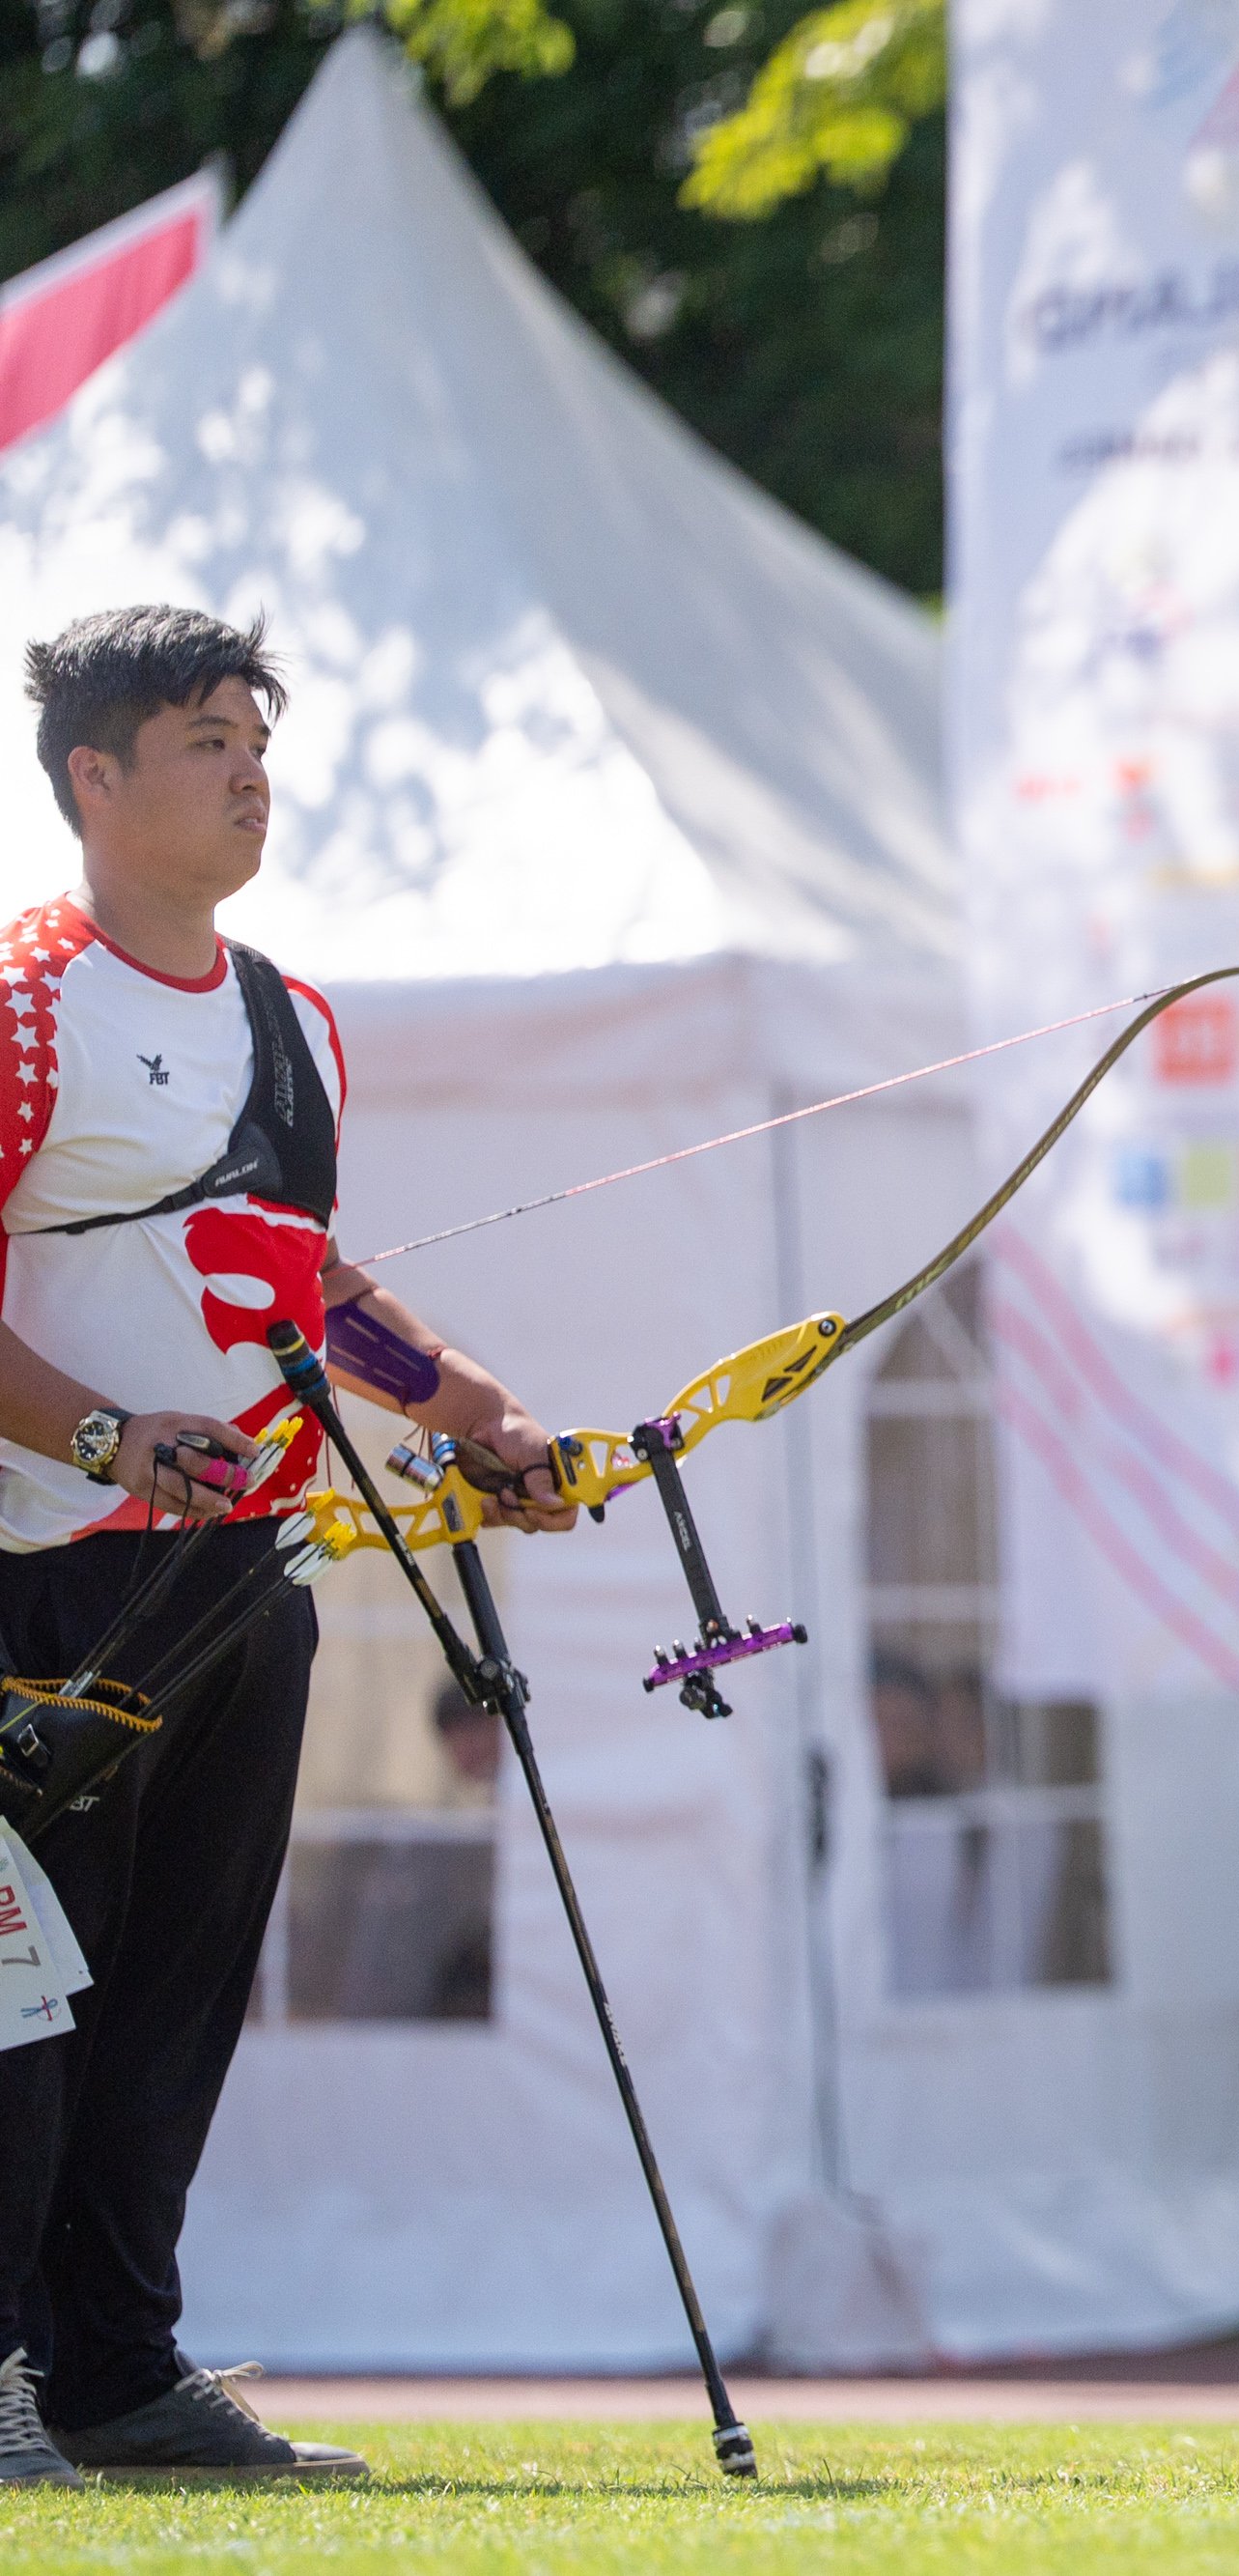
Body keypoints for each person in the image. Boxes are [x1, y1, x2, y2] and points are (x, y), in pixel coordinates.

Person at [2, 609, 575, 2488]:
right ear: (92, 776)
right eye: (201, 738)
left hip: (245, 1573)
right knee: (28, 1996)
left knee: (177, 1984)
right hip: (46, 1579)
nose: (251, 769)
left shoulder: (291, 1014)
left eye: (259, 733)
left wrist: (473, 1410)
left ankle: (117, 2379)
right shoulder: (24, 995)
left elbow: (299, 1282)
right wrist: (100, 1431)